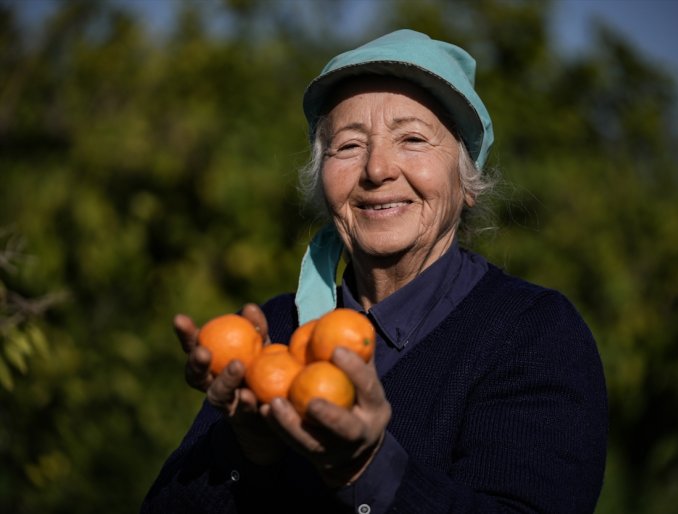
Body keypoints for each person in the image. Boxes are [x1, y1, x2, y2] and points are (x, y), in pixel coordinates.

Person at [141, 29, 608, 513]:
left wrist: (369, 470)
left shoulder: (532, 333)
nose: (377, 169)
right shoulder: (272, 334)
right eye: (348, 146)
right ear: (323, 184)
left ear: (467, 182)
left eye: (412, 139)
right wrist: (248, 450)